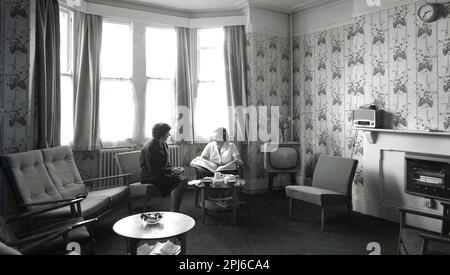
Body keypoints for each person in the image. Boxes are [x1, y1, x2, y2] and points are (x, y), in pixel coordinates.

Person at [140, 123, 187, 212]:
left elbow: (165, 164)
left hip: (159, 173)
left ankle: (174, 208)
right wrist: (171, 170)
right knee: (180, 180)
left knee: (182, 179)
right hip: (149, 176)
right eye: (167, 133)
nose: (169, 135)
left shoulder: (164, 144)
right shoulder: (150, 147)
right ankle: (174, 209)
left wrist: (175, 168)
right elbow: (153, 169)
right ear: (161, 134)